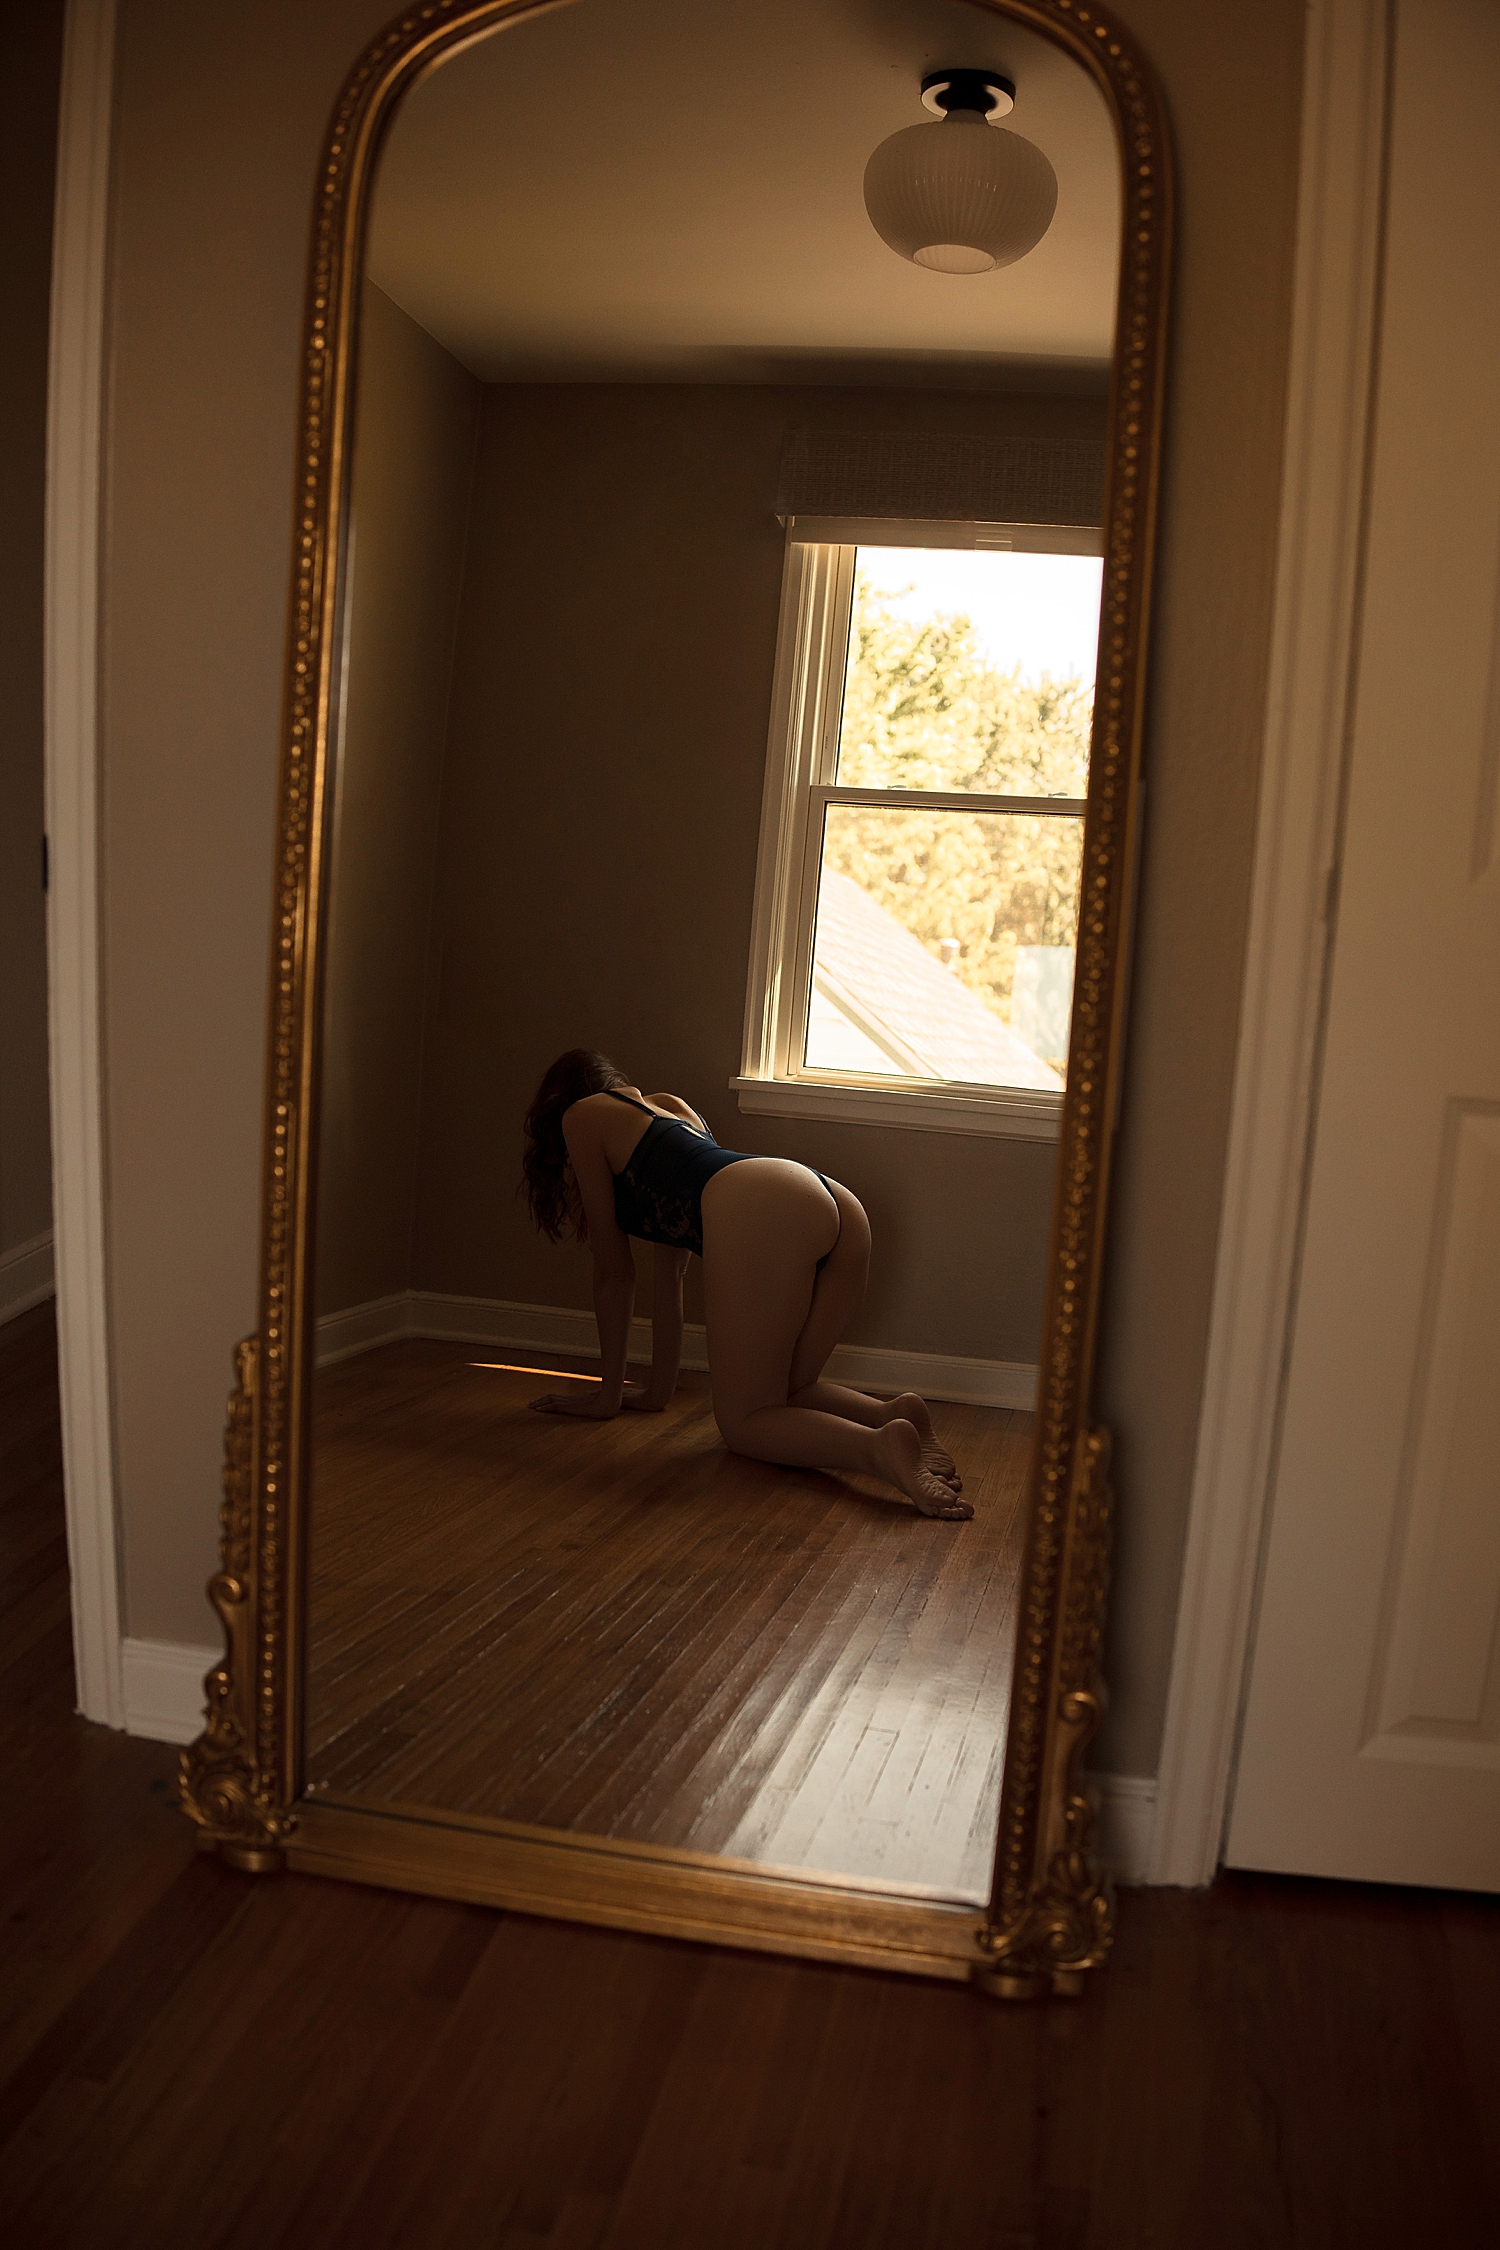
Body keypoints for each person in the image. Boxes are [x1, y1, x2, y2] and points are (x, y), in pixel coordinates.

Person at [519, 1048, 969, 1520]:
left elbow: (614, 1272)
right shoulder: (668, 1108)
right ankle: (890, 1414)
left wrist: (606, 1396)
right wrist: (655, 1392)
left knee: (745, 1426)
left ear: (559, 1101)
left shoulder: (582, 1116)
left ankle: (878, 1448)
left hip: (764, 1202)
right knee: (787, 1393)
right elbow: (670, 1275)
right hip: (828, 1199)